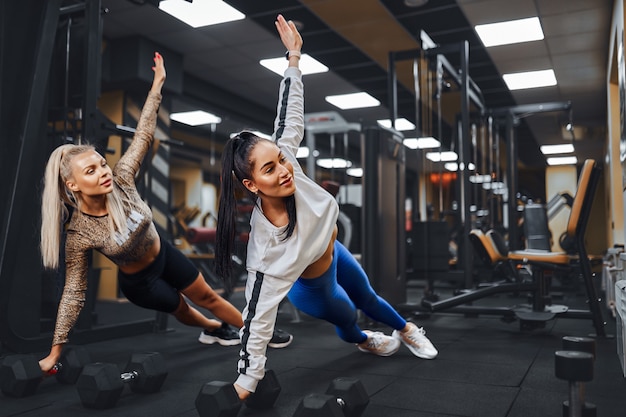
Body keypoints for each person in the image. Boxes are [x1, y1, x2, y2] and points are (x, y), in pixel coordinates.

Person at [216, 14, 438, 400]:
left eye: (282, 160)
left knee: (369, 296)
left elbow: (290, 114)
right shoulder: (266, 250)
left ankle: (407, 329)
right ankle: (364, 339)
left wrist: (294, 57)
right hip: (311, 284)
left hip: (333, 251)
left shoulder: (287, 161)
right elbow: (256, 318)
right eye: (270, 169)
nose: (285, 170)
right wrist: (247, 380)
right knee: (349, 318)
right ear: (251, 185)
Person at [38, 52, 292, 374]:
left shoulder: (122, 180)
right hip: (140, 283)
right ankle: (213, 329)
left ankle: (259, 333)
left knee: (209, 296)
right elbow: (74, 292)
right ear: (73, 185)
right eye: (91, 170)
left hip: (165, 254)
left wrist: (157, 86)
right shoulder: (79, 233)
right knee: (185, 309)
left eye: (102, 163)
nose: (103, 170)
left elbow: (143, 134)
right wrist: (55, 349)